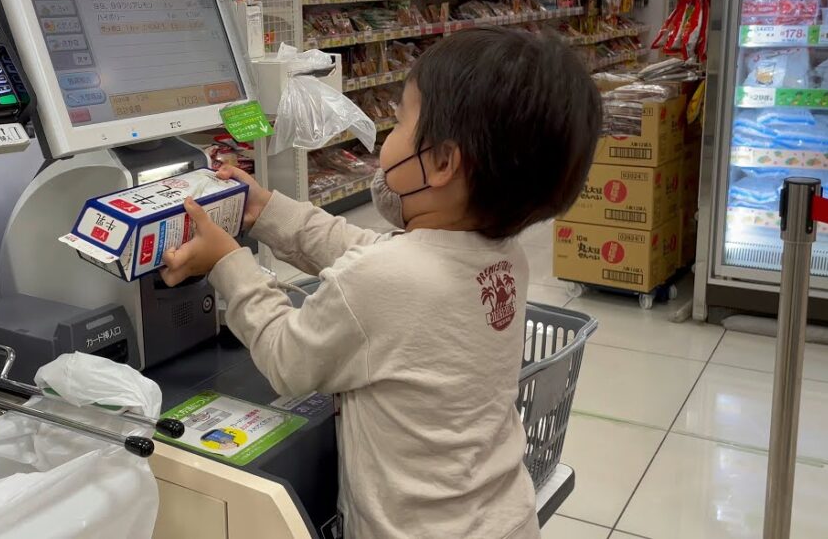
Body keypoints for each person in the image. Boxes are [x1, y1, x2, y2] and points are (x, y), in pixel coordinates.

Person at [160, 28, 602, 539]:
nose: (387, 139)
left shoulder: (384, 281)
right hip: (503, 518)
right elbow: (374, 254)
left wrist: (227, 264)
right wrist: (267, 211)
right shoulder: (503, 257)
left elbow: (287, 359)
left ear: (441, 163)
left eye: (400, 122)